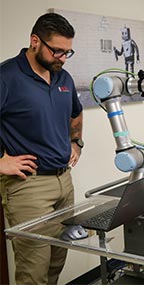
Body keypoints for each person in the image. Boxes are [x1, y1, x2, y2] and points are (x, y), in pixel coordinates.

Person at [0, 13, 84, 284]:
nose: (62, 57)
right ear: (35, 41)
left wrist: (76, 142)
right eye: (57, 50)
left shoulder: (64, 78)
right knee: (33, 270)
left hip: (64, 181)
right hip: (28, 186)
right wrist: (1, 161)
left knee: (56, 262)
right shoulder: (6, 77)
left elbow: (76, 113)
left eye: (67, 52)